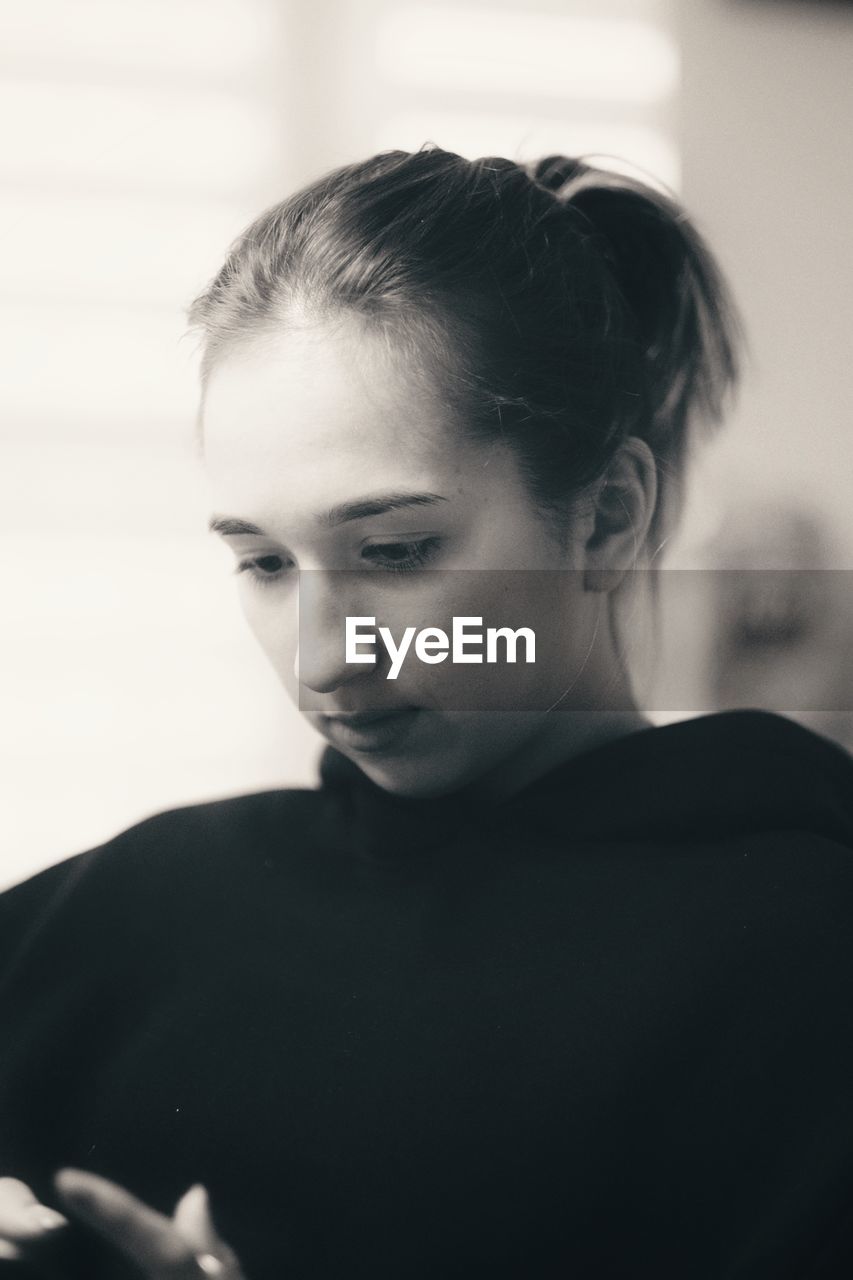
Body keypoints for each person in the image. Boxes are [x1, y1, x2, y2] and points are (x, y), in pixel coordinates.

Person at [1, 147, 852, 1279]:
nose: (320, 658)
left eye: (394, 551)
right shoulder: (108, 915)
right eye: (261, 561)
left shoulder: (804, 956)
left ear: (604, 516)